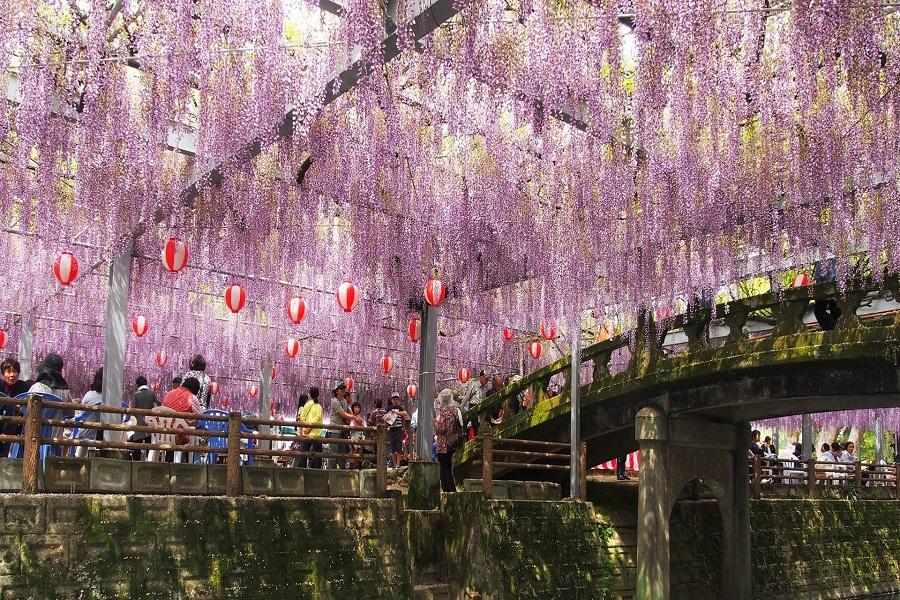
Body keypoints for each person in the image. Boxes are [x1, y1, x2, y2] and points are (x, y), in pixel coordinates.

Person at [28, 353, 73, 456]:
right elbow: (70, 414)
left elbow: (26, 410)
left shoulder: (37, 387)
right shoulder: (65, 391)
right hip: (56, 439)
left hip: (34, 435)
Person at [433, 389, 464, 492]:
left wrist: (435, 424)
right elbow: (461, 425)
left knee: (443, 467)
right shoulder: (457, 410)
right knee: (451, 466)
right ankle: (452, 489)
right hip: (454, 442)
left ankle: (447, 489)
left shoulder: (441, 412)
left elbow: (440, 429)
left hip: (443, 443)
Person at [0, 358, 31, 457]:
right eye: (8, 372)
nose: (12, 375)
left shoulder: (24, 386)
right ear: (3, 373)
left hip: (16, 425)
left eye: (15, 371)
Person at [327, 382, 358, 469]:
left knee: (342, 452)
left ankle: (342, 472)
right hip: (334, 430)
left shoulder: (344, 401)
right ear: (337, 391)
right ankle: (332, 472)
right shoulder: (334, 401)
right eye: (341, 389)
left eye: (344, 389)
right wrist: (355, 418)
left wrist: (355, 418)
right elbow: (343, 414)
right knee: (334, 453)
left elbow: (349, 413)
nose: (343, 390)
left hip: (342, 430)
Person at [294, 389, 324, 469]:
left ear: (310, 394)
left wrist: (306, 428)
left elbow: (302, 417)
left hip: (305, 434)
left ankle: (301, 473)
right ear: (318, 394)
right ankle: (316, 473)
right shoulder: (319, 406)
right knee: (318, 455)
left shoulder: (307, 404)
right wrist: (309, 428)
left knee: (303, 455)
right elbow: (317, 418)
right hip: (316, 434)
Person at [812, 258, 842, 331]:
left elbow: (817, 278)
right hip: (834, 292)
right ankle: (831, 326)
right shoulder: (840, 262)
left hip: (827, 291)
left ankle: (830, 327)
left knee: (820, 310)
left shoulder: (822, 263)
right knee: (832, 309)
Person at [130, 376, 158, 446]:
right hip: (150, 423)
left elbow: (132, 408)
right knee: (149, 445)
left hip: (139, 422)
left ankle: (136, 457)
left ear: (138, 385)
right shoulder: (152, 393)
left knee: (137, 446)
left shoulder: (136, 394)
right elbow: (158, 405)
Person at [385, 392, 409, 468]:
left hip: (399, 429)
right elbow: (386, 419)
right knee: (392, 447)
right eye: (393, 399)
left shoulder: (400, 407)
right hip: (392, 429)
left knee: (398, 447)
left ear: (398, 400)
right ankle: (394, 463)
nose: (395, 400)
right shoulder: (389, 408)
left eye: (396, 399)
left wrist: (397, 412)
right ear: (391, 400)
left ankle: (398, 464)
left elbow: (405, 413)